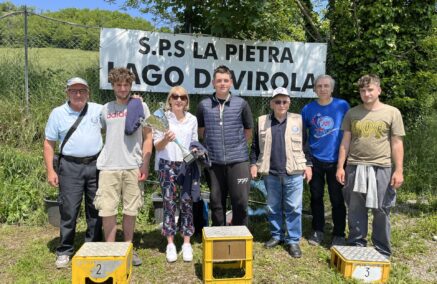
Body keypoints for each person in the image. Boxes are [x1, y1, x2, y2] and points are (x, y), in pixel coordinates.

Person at [336, 74, 405, 258]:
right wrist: (340, 167)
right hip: (355, 166)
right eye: (363, 90)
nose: (366, 94)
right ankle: (356, 245)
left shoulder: (392, 112)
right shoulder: (352, 113)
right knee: (355, 208)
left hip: (381, 167)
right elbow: (345, 141)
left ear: (379, 90)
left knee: (381, 209)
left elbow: (397, 143)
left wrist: (398, 170)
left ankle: (382, 249)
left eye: (370, 90)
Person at [93, 67, 152, 266]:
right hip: (108, 167)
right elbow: (100, 133)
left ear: (131, 85)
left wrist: (145, 163)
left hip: (133, 166)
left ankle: (128, 248)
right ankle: (110, 250)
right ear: (112, 86)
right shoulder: (105, 109)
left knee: (131, 209)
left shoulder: (140, 107)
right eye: (119, 85)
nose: (123, 88)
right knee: (107, 209)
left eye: (126, 84)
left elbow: (148, 137)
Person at [43, 77, 103, 268]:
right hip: (69, 167)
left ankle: (92, 246)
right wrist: (51, 170)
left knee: (96, 208)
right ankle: (65, 250)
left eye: (82, 90)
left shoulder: (98, 109)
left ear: (88, 92)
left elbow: (120, 115)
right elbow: (49, 143)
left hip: (95, 164)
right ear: (67, 92)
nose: (78, 94)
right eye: (74, 91)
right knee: (69, 209)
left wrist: (137, 103)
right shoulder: (57, 113)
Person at [250, 87, 312, 258]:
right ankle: (276, 235)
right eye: (277, 101)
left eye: (284, 101)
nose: (281, 104)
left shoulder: (298, 120)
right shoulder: (262, 121)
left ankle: (292, 240)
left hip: (294, 173)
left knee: (294, 207)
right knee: (273, 207)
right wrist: (253, 164)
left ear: (289, 102)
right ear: (271, 103)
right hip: (271, 174)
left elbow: (305, 146)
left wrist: (309, 165)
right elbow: (255, 146)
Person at [196, 65, 253, 226]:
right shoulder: (204, 105)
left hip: (238, 160)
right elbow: (201, 131)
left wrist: (235, 146)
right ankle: (219, 235)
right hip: (214, 162)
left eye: (226, 80)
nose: (222, 83)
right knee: (216, 202)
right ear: (213, 82)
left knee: (240, 202)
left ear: (231, 83)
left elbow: (248, 130)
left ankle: (239, 235)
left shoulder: (241, 104)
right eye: (219, 80)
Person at [301, 75, 349, 247]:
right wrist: (306, 161)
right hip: (315, 161)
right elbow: (303, 135)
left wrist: (342, 163)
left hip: (337, 161)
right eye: (319, 86)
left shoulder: (342, 105)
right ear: (314, 89)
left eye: (326, 86)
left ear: (332, 88)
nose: (322, 89)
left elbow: (349, 131)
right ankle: (317, 230)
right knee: (316, 197)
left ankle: (339, 233)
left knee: (337, 199)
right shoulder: (308, 109)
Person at [153, 86, 198, 263]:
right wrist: (165, 138)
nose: (179, 100)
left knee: (187, 202)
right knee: (169, 203)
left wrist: (195, 150)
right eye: (175, 96)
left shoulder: (192, 119)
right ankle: (170, 243)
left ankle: (186, 242)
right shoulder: (161, 118)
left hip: (186, 165)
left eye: (183, 97)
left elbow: (194, 141)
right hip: (166, 165)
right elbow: (157, 146)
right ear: (169, 100)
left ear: (187, 101)